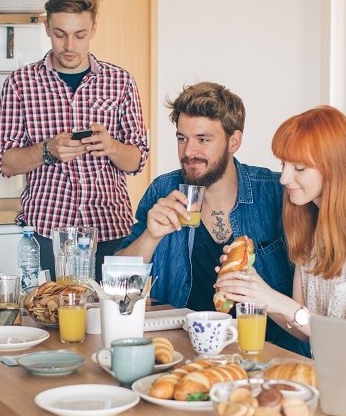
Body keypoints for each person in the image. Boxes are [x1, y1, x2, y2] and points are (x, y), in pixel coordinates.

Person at [116, 82, 301, 352]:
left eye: (203, 139)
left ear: (233, 141)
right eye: (182, 138)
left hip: (266, 352)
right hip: (180, 349)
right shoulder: (163, 190)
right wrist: (150, 236)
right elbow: (117, 288)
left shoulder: (276, 192)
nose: (189, 152)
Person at [216, 106, 346, 346]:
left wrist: (275, 300)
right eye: (284, 165)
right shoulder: (312, 226)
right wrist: (253, 289)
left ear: (334, 168)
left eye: (299, 168)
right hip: (327, 376)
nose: (284, 179)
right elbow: (302, 330)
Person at [0, 0, 148, 281]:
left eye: (80, 35)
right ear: (47, 27)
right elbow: (6, 162)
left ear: (93, 30)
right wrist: (47, 150)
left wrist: (112, 147)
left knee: (109, 320)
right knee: (51, 317)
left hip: (110, 227)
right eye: (60, 33)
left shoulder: (120, 81)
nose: (69, 45)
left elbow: (137, 159)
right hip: (47, 230)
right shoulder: (19, 83)